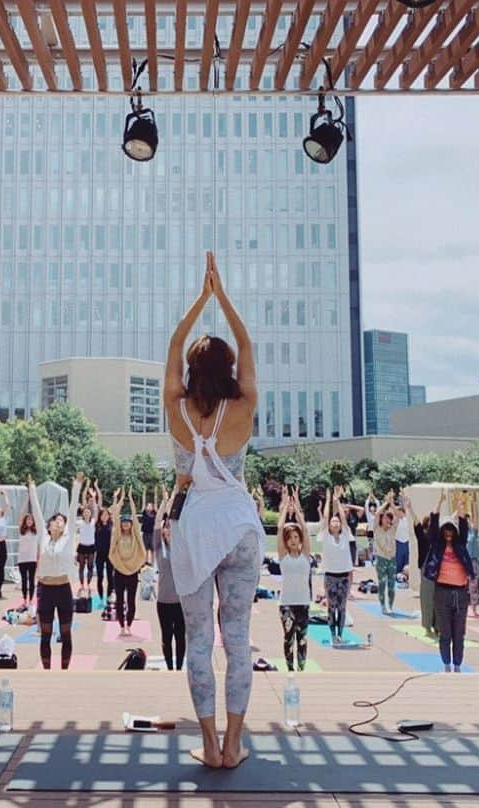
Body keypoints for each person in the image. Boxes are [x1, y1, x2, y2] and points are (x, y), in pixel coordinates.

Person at [164, 252, 263, 770]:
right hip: (240, 526)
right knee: (239, 638)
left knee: (200, 641)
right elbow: (246, 343)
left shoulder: (174, 407)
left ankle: (207, 744)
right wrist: (220, 296)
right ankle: (234, 743)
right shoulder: (243, 407)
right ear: (227, 370)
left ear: (189, 370)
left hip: (195, 530)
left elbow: (175, 344)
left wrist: (197, 299)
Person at [30, 473, 83, 670]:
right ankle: (46, 670)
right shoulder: (43, 537)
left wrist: (76, 485)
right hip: (45, 590)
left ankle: (64, 670)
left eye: (62, 520)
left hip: (63, 590)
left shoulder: (67, 540)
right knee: (45, 634)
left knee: (66, 633)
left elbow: (71, 510)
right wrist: (32, 489)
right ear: (49, 524)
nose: (59, 522)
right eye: (56, 520)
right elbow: (36, 512)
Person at [422, 489, 474, 672]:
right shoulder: (437, 546)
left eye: (451, 529)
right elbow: (433, 524)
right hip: (442, 592)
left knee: (459, 633)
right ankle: (446, 664)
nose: (449, 532)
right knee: (445, 632)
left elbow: (464, 526)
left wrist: (460, 507)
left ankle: (458, 664)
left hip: (460, 592)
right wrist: (440, 502)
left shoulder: (460, 544)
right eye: (446, 529)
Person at [277, 486, 311, 672]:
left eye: (296, 537)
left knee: (303, 639)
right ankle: (290, 670)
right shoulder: (284, 556)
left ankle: (302, 669)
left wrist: (296, 507)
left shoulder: (305, 555)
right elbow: (281, 527)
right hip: (286, 604)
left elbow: (305, 529)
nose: (293, 540)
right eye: (290, 538)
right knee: (288, 638)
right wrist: (284, 509)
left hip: (303, 603)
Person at [153, 489, 185, 670]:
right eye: (166, 527)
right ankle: (170, 667)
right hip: (163, 600)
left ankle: (179, 667)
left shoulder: (181, 546)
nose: (167, 529)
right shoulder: (159, 548)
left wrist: (174, 497)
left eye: (170, 527)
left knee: (180, 636)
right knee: (166, 636)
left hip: (180, 600)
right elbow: (158, 521)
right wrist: (166, 502)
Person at [109, 489, 148, 637]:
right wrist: (118, 499)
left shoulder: (135, 536)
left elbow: (137, 523)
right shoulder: (117, 535)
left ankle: (129, 625)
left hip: (132, 571)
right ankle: (121, 626)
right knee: (120, 600)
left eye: (128, 523)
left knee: (131, 600)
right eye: (123, 523)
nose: (125, 525)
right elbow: (114, 517)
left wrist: (131, 500)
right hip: (119, 570)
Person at [319, 488, 354, 643]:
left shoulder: (346, 535)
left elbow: (344, 519)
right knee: (331, 607)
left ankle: (340, 634)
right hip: (330, 577)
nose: (335, 522)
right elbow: (326, 517)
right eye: (333, 521)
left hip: (344, 577)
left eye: (337, 521)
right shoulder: (326, 536)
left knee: (342, 607)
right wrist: (328, 500)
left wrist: (337, 501)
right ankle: (333, 635)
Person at [409, 499, 436, 638]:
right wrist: (410, 507)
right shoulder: (422, 535)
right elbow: (416, 521)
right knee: (427, 599)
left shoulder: (437, 537)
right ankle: (427, 627)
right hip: (425, 568)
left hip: (436, 568)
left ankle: (437, 626)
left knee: (437, 598)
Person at [373, 492, 399, 614]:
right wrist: (386, 502)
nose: (387, 519)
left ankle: (391, 606)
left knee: (392, 584)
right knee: (382, 583)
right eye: (385, 517)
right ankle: (383, 605)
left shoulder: (392, 530)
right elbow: (378, 513)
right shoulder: (377, 529)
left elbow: (398, 516)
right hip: (381, 558)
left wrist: (392, 503)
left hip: (392, 559)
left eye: (389, 518)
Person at [467, 491, 479, 619]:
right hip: (464, 561)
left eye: (469, 520)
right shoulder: (461, 534)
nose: (468, 521)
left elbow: (476, 517)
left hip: (474, 561)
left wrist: (474, 502)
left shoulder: (473, 531)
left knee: (474, 585)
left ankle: (474, 608)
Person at [17, 511, 39, 608]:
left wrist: (38, 558)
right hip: (22, 559)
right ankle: (24, 599)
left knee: (31, 580)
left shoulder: (36, 532)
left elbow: (38, 546)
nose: (29, 521)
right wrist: (27, 499)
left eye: (31, 520)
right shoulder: (21, 531)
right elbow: (20, 517)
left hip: (32, 559)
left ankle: (30, 600)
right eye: (27, 520)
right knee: (24, 580)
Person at [76, 501, 97, 598]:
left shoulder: (93, 522)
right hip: (82, 546)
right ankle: (81, 584)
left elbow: (96, 510)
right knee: (81, 567)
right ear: (83, 514)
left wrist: (93, 499)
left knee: (90, 566)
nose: (87, 514)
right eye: (85, 512)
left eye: (88, 512)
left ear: (90, 514)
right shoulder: (79, 522)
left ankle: (88, 584)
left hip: (91, 546)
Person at [94, 503, 114, 602]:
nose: (104, 516)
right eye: (103, 515)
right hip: (99, 555)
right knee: (100, 576)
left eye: (106, 515)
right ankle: (101, 597)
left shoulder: (112, 526)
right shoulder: (96, 525)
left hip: (110, 555)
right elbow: (95, 508)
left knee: (110, 577)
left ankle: (109, 597)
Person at [394, 493, 412, 580]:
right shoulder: (396, 520)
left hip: (407, 542)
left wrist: (403, 496)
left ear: (402, 512)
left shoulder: (407, 519)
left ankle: (405, 575)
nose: (397, 513)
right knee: (398, 560)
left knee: (407, 561)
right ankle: (397, 575)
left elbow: (406, 506)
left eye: (398, 512)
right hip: (399, 542)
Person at [141, 498, 158, 567]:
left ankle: (153, 563)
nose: (149, 507)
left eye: (151, 506)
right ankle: (145, 562)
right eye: (148, 506)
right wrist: (144, 494)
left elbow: (156, 504)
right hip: (145, 533)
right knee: (145, 549)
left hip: (152, 534)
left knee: (152, 549)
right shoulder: (144, 513)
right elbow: (143, 502)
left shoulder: (154, 513)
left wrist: (156, 495)